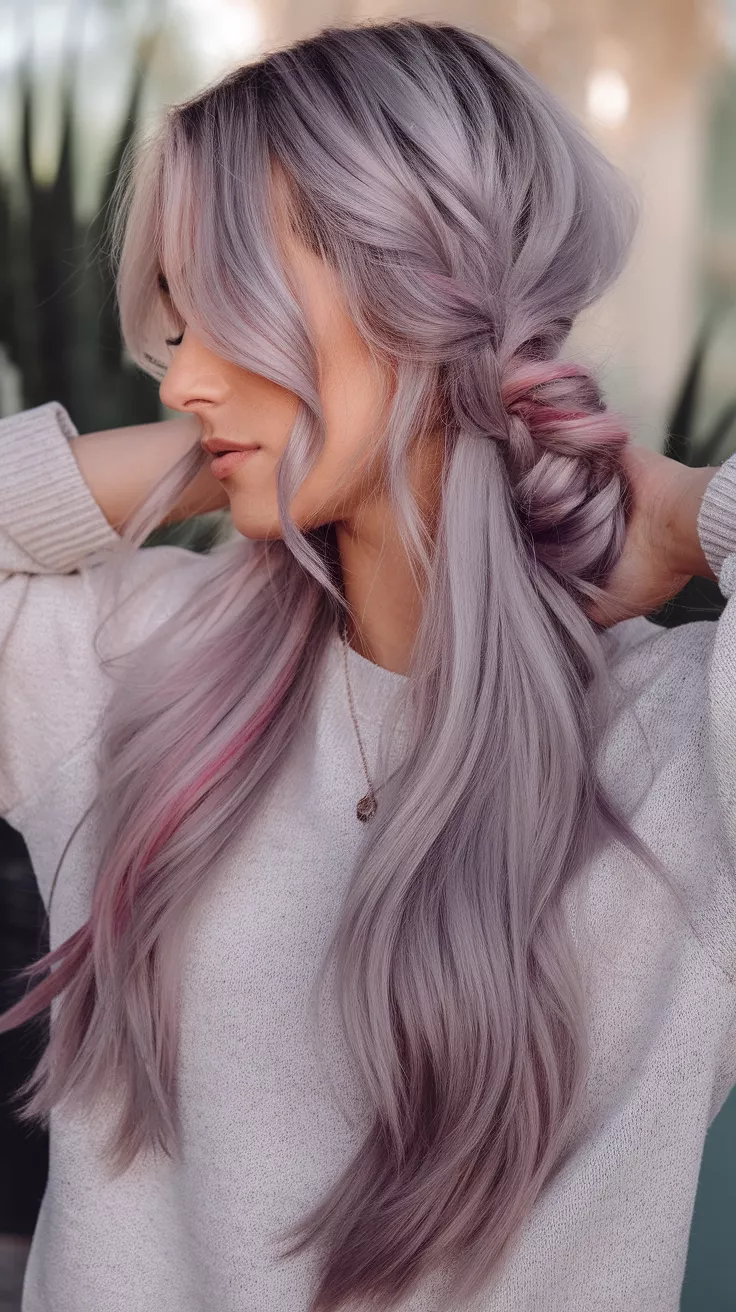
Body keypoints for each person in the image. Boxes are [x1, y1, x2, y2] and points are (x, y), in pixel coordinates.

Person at [0, 18, 733, 1312]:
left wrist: (680, 515)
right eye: (175, 320)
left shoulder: (683, 766)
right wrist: (199, 465)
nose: (181, 380)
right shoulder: (136, 678)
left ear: (421, 288)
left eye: (228, 303)